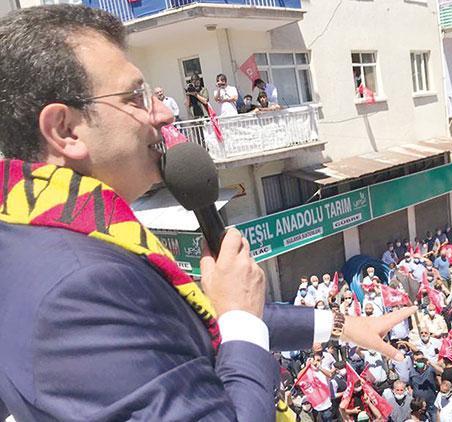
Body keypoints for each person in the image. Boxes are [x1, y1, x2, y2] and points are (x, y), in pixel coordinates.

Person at [0, 6, 415, 420]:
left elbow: (201, 316)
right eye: (135, 98)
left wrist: (341, 325)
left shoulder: (35, 232)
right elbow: (229, 323)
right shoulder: (78, 287)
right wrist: (241, 322)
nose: (164, 113)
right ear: (65, 130)